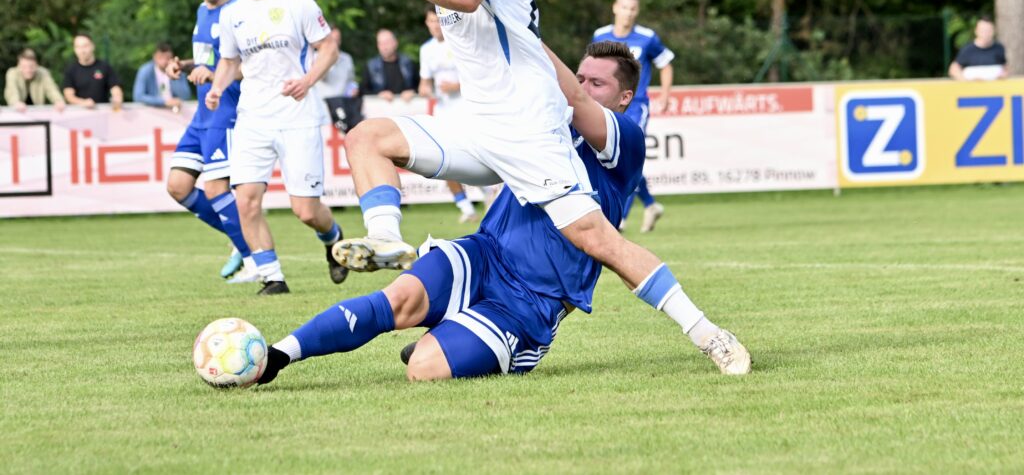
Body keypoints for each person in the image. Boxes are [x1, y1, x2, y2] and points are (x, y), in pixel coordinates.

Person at [336, 0, 750, 372]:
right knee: (367, 137)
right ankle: (387, 241)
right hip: (482, 129)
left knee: (598, 240)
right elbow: (491, 3)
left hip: (528, 131)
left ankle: (709, 334)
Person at [256, 41, 749, 385]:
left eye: (596, 83)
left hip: (530, 302)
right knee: (397, 300)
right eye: (580, 77)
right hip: (483, 254)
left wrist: (519, 18)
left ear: (623, 97)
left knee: (422, 369)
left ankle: (468, 341)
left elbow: (572, 100)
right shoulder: (539, 127)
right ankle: (278, 356)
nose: (581, 86)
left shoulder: (624, 140)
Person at [206, 0, 346, 295]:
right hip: (253, 118)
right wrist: (218, 87)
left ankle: (333, 237)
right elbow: (230, 61)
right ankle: (273, 278)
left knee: (305, 210)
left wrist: (307, 80)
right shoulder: (231, 12)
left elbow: (328, 47)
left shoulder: (297, 3)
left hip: (297, 116)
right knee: (246, 201)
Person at [164, 0, 256, 282]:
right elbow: (208, 59)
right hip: (202, 114)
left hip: (227, 111)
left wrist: (214, 71)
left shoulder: (241, 11)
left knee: (217, 189)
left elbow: (251, 65)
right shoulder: (203, 11)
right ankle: (241, 240)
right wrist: (186, 65)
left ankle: (254, 259)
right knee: (177, 186)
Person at [592, 0, 675, 232]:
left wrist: (666, 94)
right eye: (624, 8)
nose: (628, 13)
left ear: (636, 12)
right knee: (611, 159)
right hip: (608, 106)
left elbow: (666, 63)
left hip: (636, 106)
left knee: (626, 156)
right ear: (615, 8)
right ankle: (650, 204)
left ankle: (620, 220)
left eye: (633, 9)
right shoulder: (601, 36)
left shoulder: (647, 38)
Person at [418, 5, 478, 223]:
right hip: (443, 111)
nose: (435, 26)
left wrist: (457, 86)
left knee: (478, 155)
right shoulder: (426, 50)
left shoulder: (461, 41)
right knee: (444, 158)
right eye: (430, 22)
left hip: (468, 108)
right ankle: (465, 206)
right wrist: (424, 90)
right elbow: (423, 83)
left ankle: (491, 198)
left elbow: (479, 75)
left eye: (438, 21)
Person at [317, 25, 362, 132]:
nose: (336, 43)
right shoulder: (315, 57)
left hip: (344, 107)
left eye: (338, 40)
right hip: (324, 110)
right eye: (333, 40)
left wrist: (353, 88)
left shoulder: (347, 58)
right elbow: (321, 76)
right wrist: (328, 57)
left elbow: (351, 80)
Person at [62, 33, 124, 108]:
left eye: (85, 46)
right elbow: (69, 95)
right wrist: (83, 103)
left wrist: (117, 97)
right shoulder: (71, 70)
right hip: (79, 115)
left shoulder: (104, 67)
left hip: (103, 114)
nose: (82, 50)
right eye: (78, 47)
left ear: (92, 46)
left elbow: (115, 87)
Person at [361, 28, 418, 102]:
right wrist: (379, 94)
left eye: (387, 42)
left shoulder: (408, 63)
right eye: (380, 43)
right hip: (381, 111)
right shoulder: (371, 66)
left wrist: (412, 92)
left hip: (407, 109)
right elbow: (363, 91)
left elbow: (421, 86)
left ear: (395, 43)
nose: (384, 47)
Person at [132, 41, 191, 108]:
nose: (164, 61)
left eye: (167, 57)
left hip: (176, 111)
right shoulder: (145, 71)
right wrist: (163, 102)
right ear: (154, 57)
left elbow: (185, 96)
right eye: (161, 57)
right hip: (152, 111)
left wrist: (174, 75)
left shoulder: (178, 70)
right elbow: (138, 96)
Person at [948, 16, 1009, 81]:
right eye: (983, 30)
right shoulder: (967, 50)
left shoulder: (999, 48)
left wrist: (1003, 75)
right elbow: (953, 69)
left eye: (988, 30)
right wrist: (966, 81)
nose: (986, 33)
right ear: (976, 31)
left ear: (994, 31)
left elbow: (1005, 68)